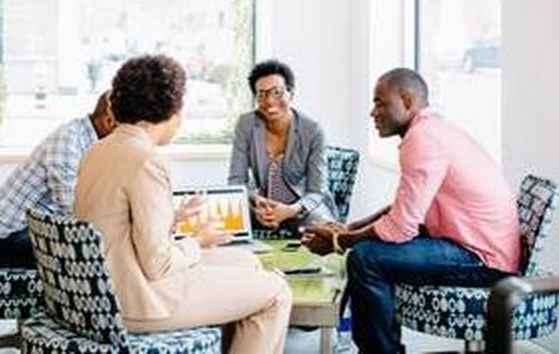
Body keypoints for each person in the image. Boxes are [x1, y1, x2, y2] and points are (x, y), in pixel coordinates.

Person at [74, 54, 292, 353]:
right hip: (137, 299)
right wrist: (196, 241)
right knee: (277, 291)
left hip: (103, 290)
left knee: (248, 262)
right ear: (170, 109)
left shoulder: (97, 151)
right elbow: (159, 265)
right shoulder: (146, 160)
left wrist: (171, 217)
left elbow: (115, 224)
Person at [302, 68, 521, 354]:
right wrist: (351, 229)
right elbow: (403, 210)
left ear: (406, 101)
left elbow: (400, 227)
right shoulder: (432, 130)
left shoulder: (423, 139)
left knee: (366, 259)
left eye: (380, 102)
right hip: (476, 246)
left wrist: (337, 242)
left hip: (484, 258)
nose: (373, 112)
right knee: (367, 250)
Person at [0, 91, 116, 268]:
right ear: (108, 121)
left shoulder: (82, 138)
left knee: (107, 246)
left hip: (20, 232)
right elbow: (71, 212)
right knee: (97, 255)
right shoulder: (68, 143)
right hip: (2, 241)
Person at [228, 59, 337, 235]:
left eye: (277, 92)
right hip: (263, 206)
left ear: (291, 93)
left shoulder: (313, 130)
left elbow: (317, 190)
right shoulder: (246, 124)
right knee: (224, 218)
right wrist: (256, 201)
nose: (269, 101)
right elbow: (236, 181)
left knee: (324, 230)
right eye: (262, 95)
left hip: (301, 207)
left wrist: (290, 210)